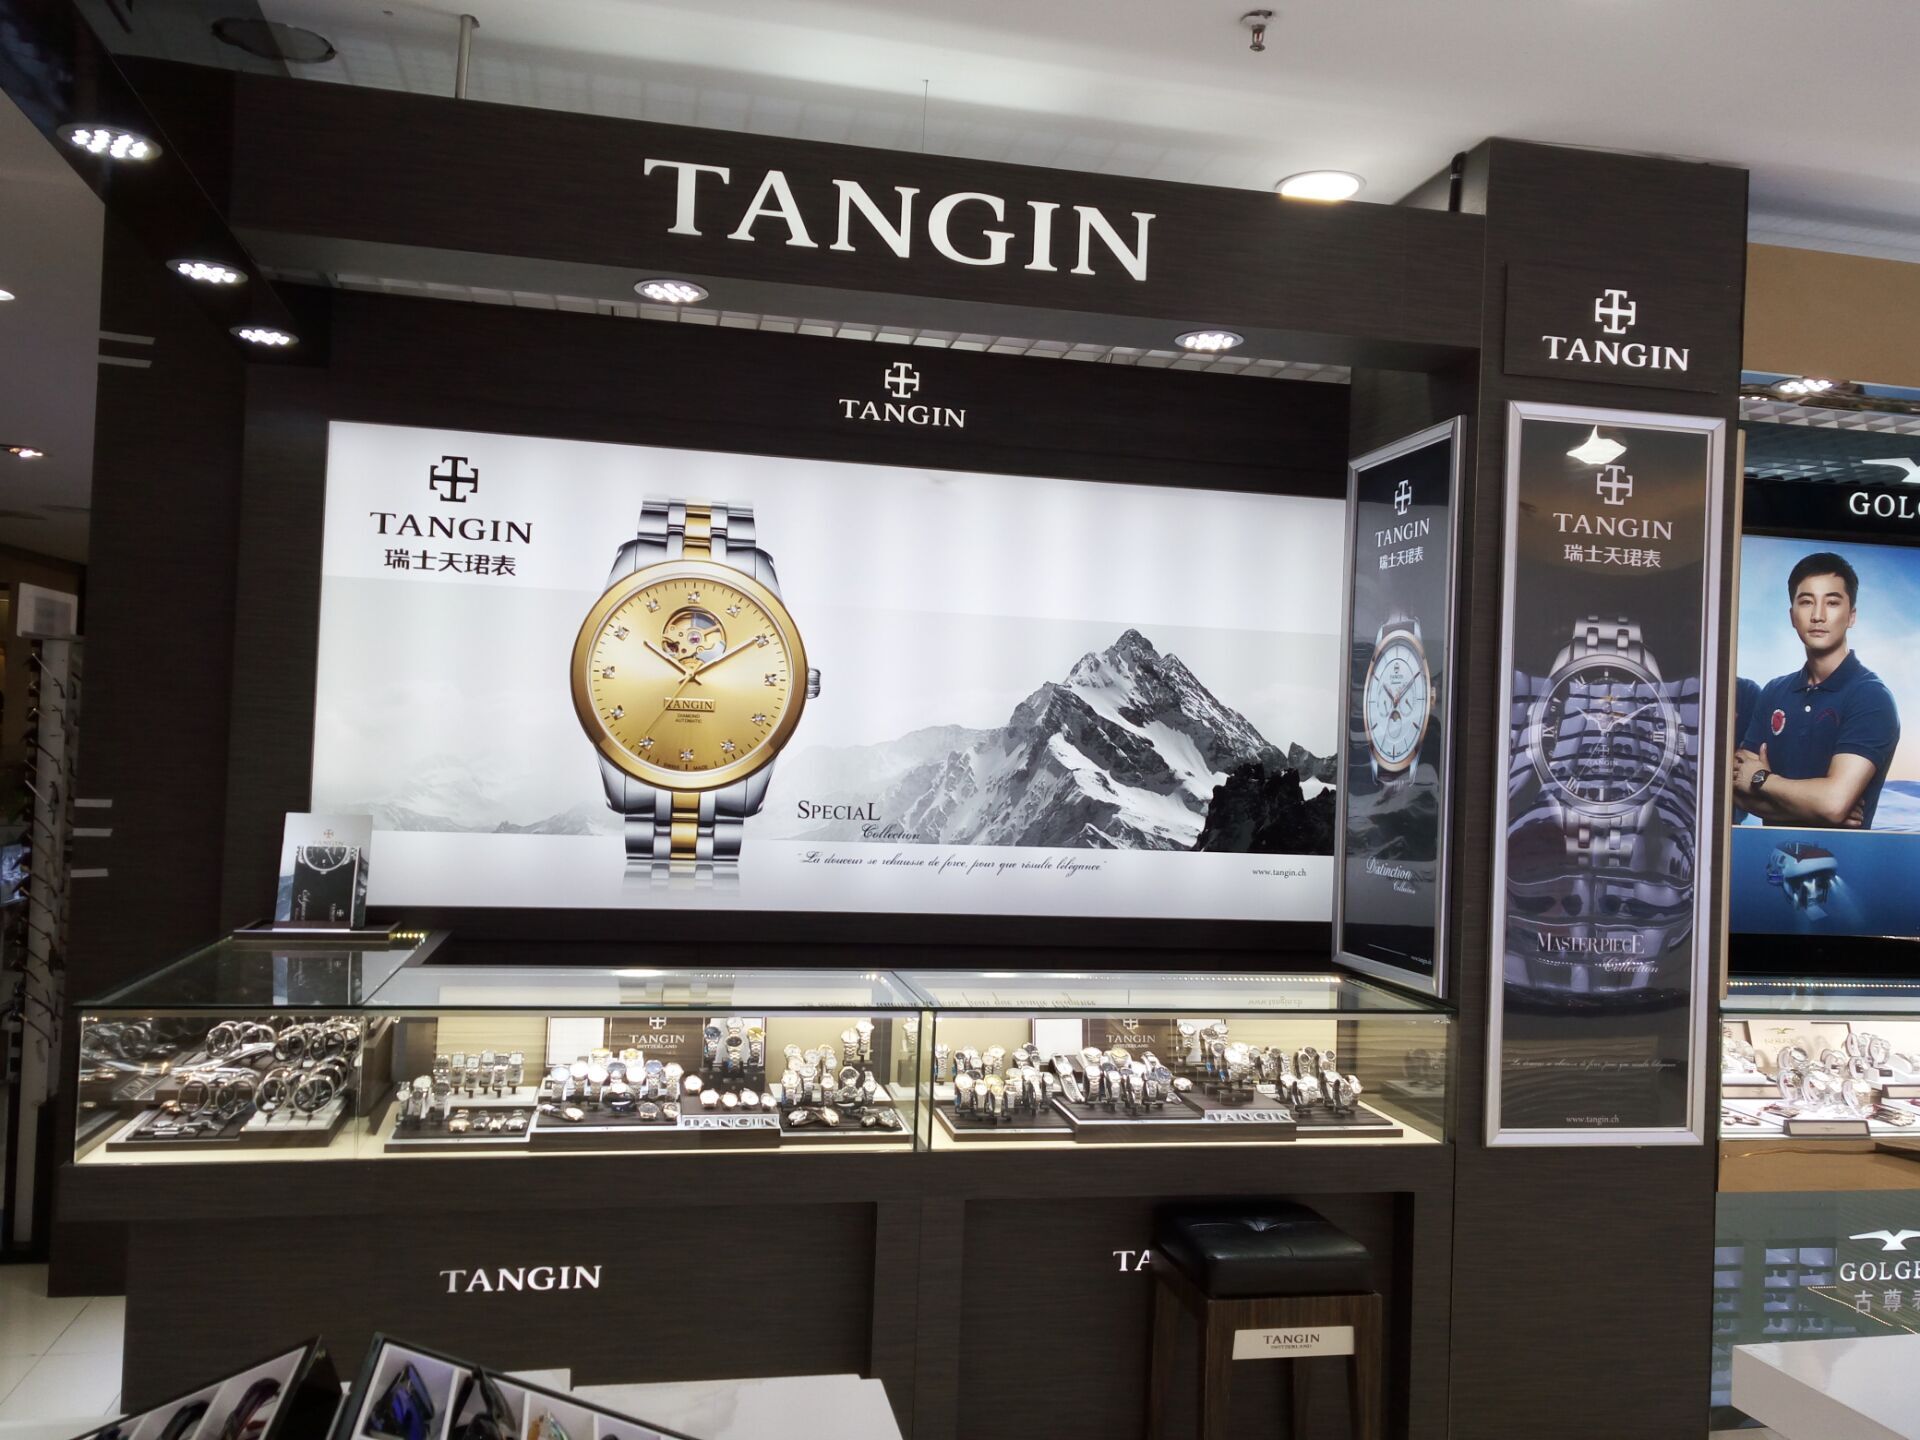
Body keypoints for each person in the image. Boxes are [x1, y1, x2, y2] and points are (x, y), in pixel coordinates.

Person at [1733, 551, 1900, 828]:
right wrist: (1818, 809)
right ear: (1792, 615)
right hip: (1769, 851)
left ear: (1851, 616)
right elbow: (1738, 791)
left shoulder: (1871, 697)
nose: (1818, 616)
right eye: (1806, 602)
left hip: (1841, 854)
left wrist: (1762, 779)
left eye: (1832, 602)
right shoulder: (1773, 692)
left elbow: (1833, 804)